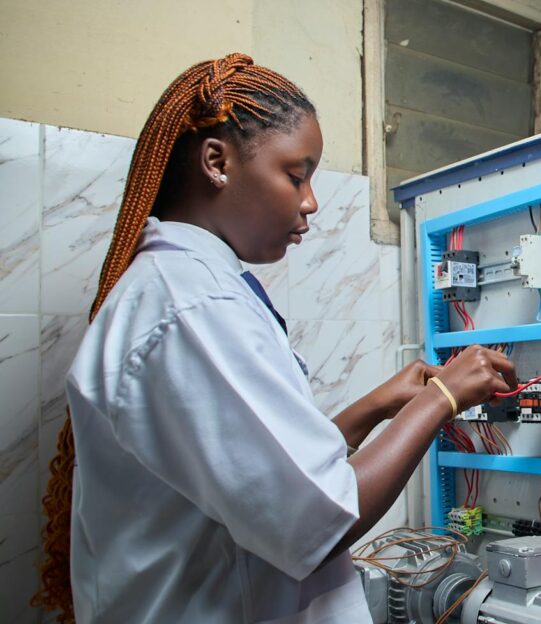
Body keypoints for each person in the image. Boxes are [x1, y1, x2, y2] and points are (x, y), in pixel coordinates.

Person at [32, 53, 515, 623]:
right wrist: (445, 398)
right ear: (217, 162)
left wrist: (377, 406)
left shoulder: (196, 288)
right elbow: (315, 519)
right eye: (296, 175)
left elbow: (260, 476)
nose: (310, 201)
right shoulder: (192, 304)